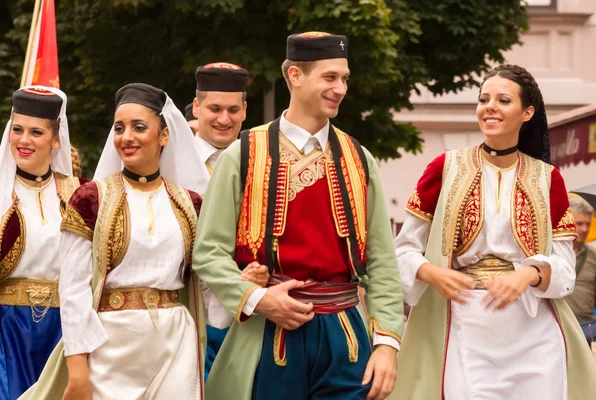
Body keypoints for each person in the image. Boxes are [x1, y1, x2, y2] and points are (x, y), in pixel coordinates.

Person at [193, 32, 403, 400]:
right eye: (330, 77)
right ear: (294, 76)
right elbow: (208, 253)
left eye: (345, 79)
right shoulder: (242, 155)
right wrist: (259, 299)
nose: (340, 88)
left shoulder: (359, 158)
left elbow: (382, 260)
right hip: (269, 334)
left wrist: (386, 343)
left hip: (346, 336)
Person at [393, 64, 596, 399]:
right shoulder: (445, 168)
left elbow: (564, 272)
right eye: (483, 99)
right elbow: (402, 250)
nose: (489, 107)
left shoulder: (548, 179)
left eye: (503, 100)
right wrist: (432, 273)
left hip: (534, 330)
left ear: (527, 112)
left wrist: (529, 274)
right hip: (464, 322)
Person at [20, 83, 207, 400]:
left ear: (164, 135)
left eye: (139, 127)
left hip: (176, 342)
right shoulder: (91, 198)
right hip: (109, 347)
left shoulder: (189, 203)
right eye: (119, 128)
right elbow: (74, 288)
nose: (126, 136)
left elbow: (205, 283)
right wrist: (78, 371)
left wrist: (246, 285)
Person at [0, 86, 83, 400]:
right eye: (18, 130)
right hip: (7, 327)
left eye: (36, 132)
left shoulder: (77, 194)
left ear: (56, 139)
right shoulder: (1, 190)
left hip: (64, 329)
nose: (24, 140)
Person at [191, 62, 270, 381]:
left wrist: (259, 268)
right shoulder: (168, 165)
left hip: (251, 319)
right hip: (190, 313)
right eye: (214, 108)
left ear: (245, 110)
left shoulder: (264, 165)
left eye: (233, 109)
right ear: (197, 107)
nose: (224, 119)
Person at [565, 196, 596, 322]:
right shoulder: (552, 253)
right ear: (567, 222)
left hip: (587, 324)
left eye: (588, 224)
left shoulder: (595, 256)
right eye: (579, 224)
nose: (585, 229)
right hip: (558, 326)